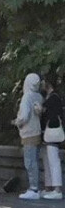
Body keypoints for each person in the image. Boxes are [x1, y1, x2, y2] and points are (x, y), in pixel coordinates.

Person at [14, 72, 44, 199]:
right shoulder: (39, 96)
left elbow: (24, 116)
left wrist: (17, 121)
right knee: (35, 160)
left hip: (28, 132)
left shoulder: (26, 97)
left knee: (29, 161)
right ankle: (36, 187)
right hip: (37, 131)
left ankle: (33, 188)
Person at [42, 71, 64, 200]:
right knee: (50, 160)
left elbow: (52, 114)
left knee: (54, 161)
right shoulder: (53, 97)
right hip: (51, 132)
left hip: (52, 132)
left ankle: (57, 189)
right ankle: (52, 187)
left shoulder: (53, 98)